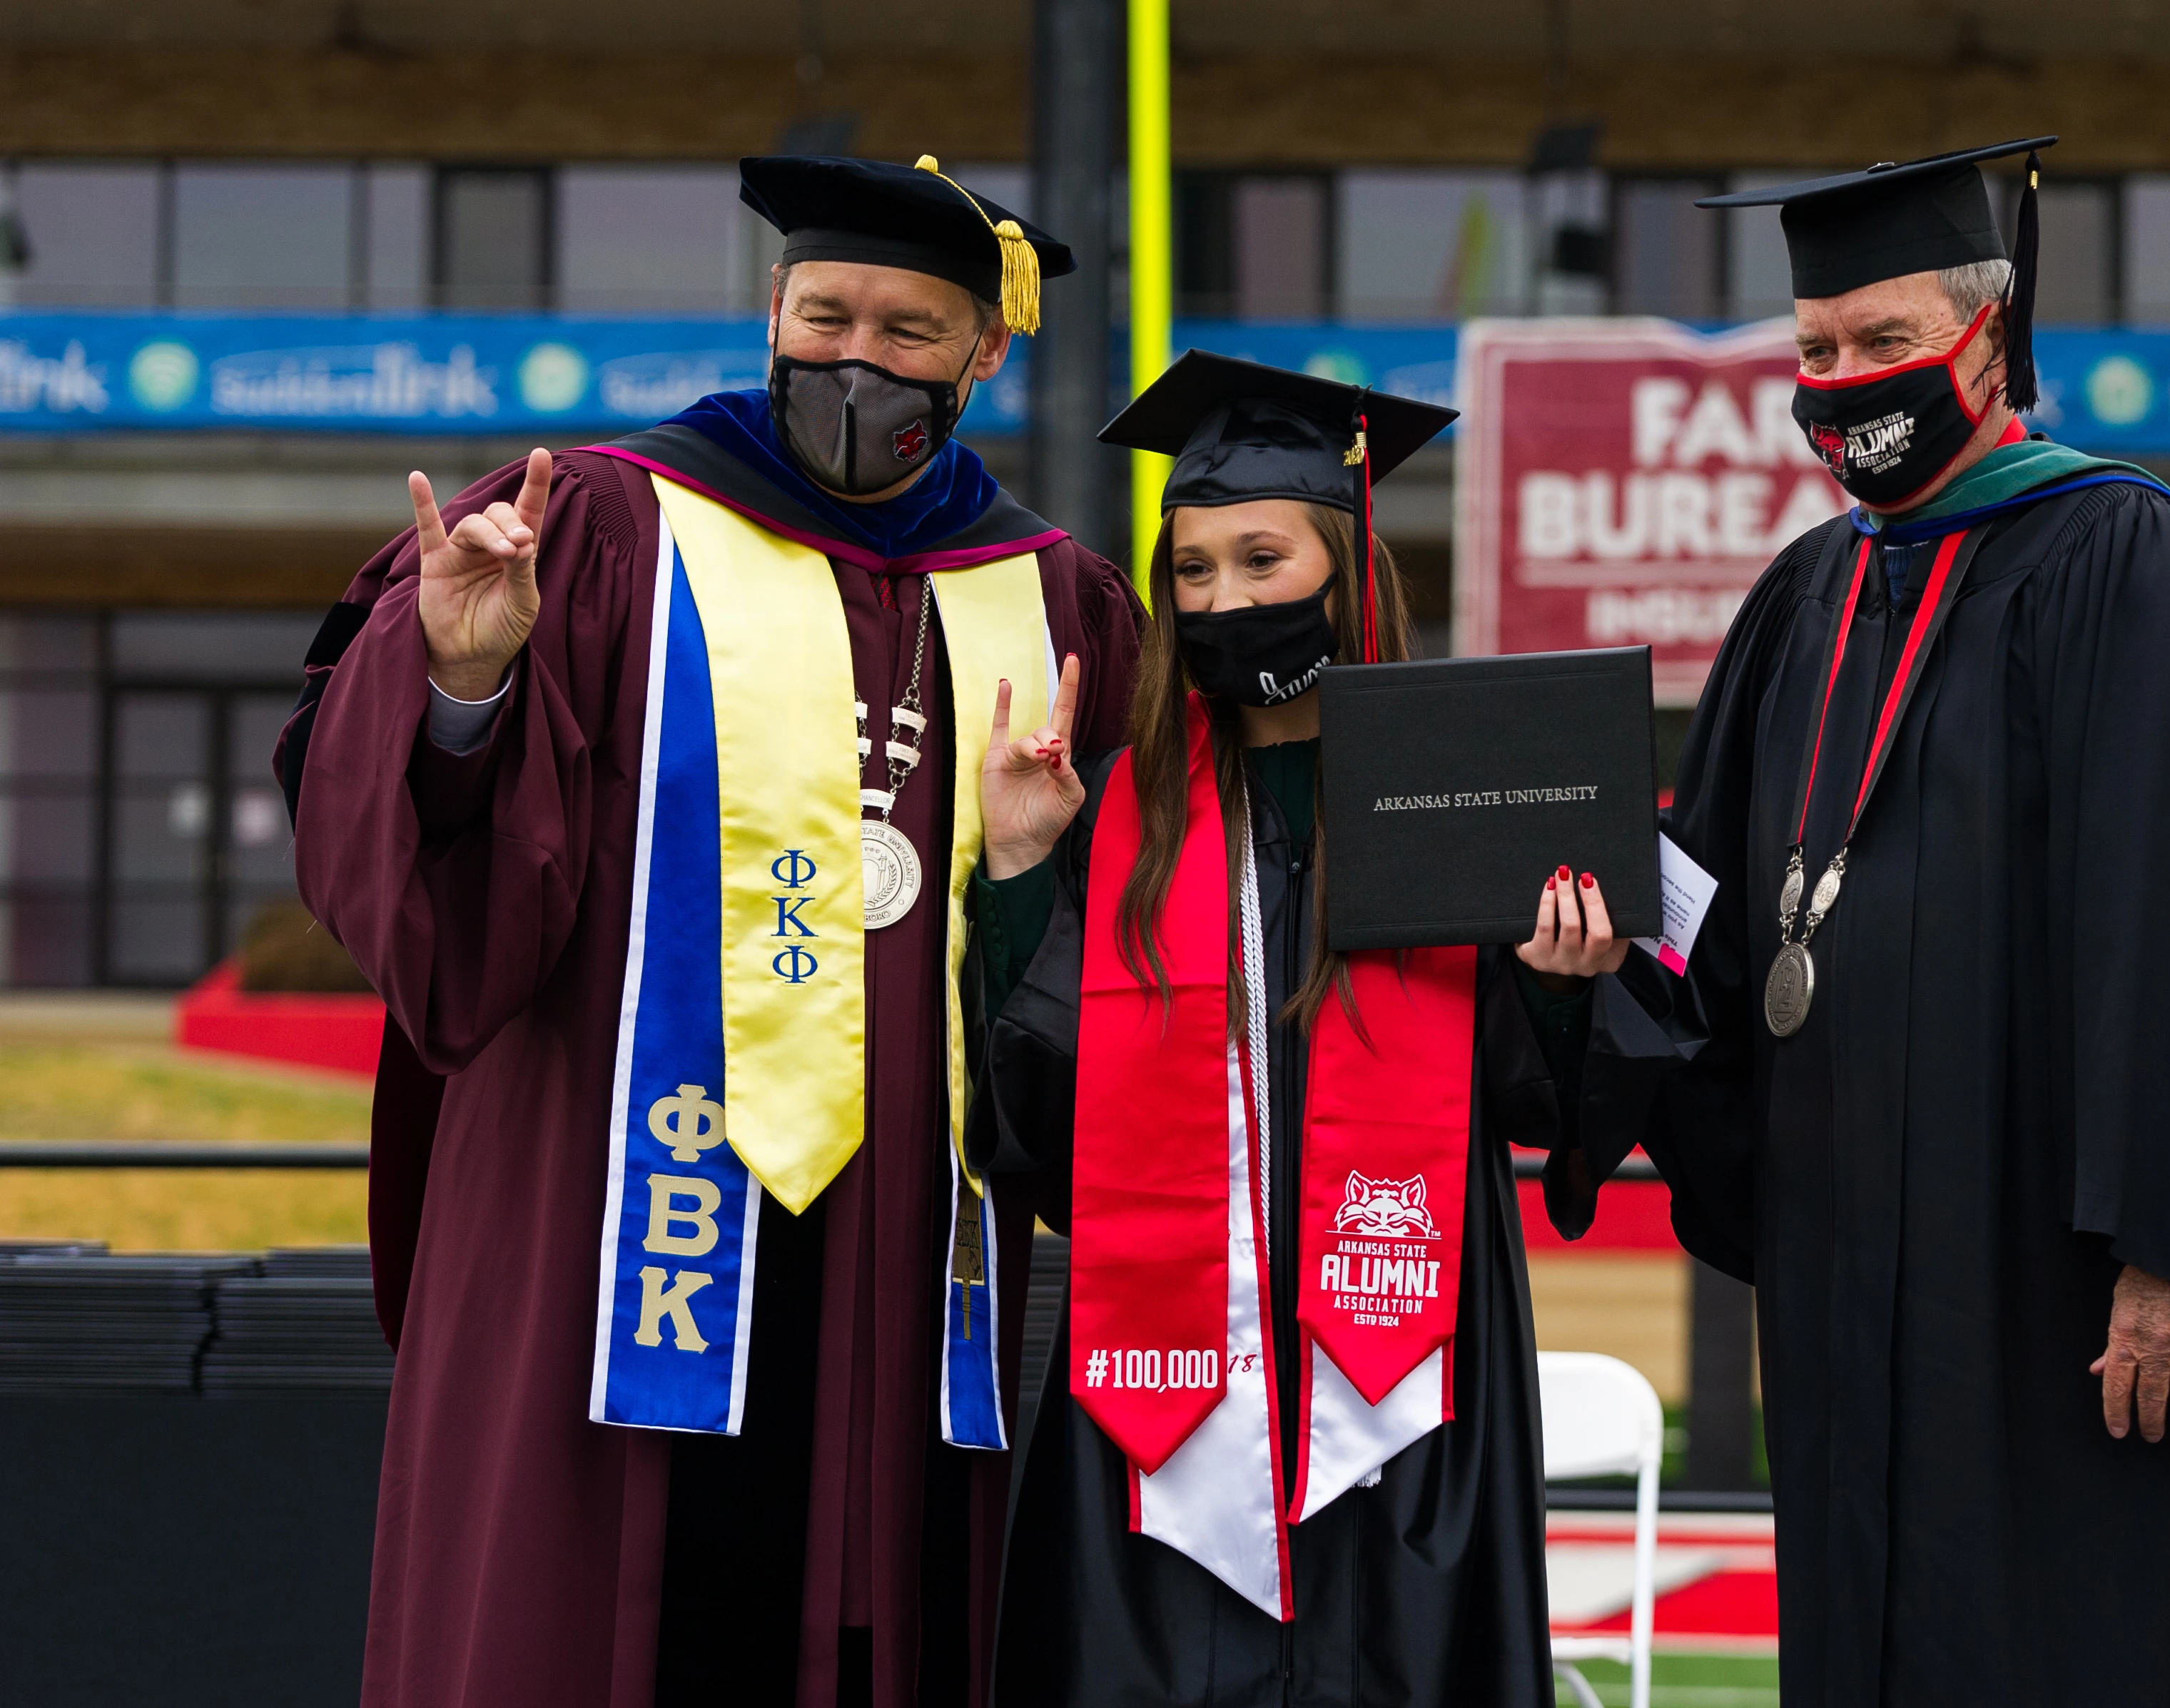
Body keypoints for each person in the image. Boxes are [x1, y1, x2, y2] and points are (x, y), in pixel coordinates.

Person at [278, 154, 1142, 1707]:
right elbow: (433, 883)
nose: (857, 360)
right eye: (826, 315)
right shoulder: (598, 523)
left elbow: (1114, 934)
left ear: (983, 354)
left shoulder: (1055, 597)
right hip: (611, 1213)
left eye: (910, 332)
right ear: (773, 311)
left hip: (898, 1246)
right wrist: (462, 684)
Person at [1558, 139, 2170, 1705]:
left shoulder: (2131, 564)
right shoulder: (1804, 597)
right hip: (1852, 1274)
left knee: (2090, 1638)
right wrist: (1579, 977)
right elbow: (1709, 923)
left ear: (1989, 343)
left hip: (2065, 1295)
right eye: (1814, 351)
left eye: (1885, 342)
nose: (1845, 379)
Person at [965, 351, 1628, 1705]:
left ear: (1347, 561)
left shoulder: (1461, 795)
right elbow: (1031, 1130)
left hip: (1402, 1384)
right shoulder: (1120, 816)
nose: (1225, 601)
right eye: (1193, 572)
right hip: (1159, 1386)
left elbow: (1545, 1099)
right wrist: (1027, 878)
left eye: (1262, 560)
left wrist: (1564, 985)